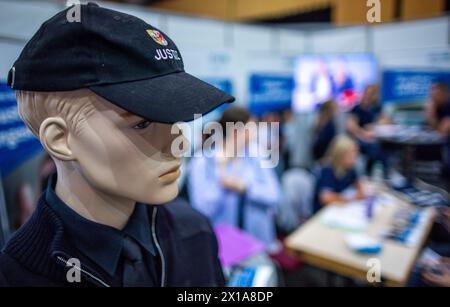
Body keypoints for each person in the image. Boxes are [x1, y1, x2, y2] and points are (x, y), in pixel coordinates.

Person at [0, 3, 235, 287]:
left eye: (173, 117)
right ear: (60, 139)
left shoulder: (194, 231)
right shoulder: (15, 277)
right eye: (141, 123)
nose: (180, 143)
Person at [188, 107, 281, 252]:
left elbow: (274, 196)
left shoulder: (256, 154)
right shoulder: (202, 161)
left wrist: (245, 188)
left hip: (258, 240)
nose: (255, 133)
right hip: (224, 246)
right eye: (252, 128)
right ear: (236, 131)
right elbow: (203, 211)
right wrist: (221, 172)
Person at [313, 135, 366, 214]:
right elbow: (325, 197)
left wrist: (360, 191)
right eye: (352, 156)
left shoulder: (350, 168)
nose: (355, 159)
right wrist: (351, 198)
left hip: (339, 208)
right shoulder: (328, 169)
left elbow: (357, 183)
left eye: (356, 155)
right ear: (341, 155)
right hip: (324, 212)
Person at [346, 84, 389, 175]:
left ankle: (385, 175)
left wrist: (374, 127)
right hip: (359, 138)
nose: (369, 95)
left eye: (372, 93)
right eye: (367, 93)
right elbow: (351, 126)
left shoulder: (376, 107)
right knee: (373, 148)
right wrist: (364, 133)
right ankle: (368, 174)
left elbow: (385, 120)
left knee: (386, 148)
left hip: (372, 137)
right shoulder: (357, 108)